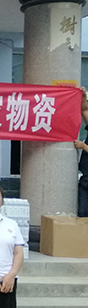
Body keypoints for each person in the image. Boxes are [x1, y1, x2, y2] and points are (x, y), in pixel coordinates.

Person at [71, 87, 88, 217]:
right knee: (82, 212)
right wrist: (83, 96)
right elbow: (84, 110)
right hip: (86, 177)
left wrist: (83, 146)